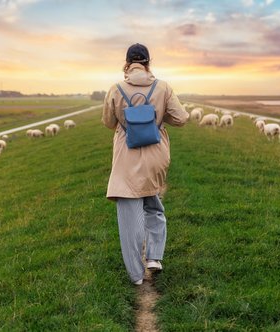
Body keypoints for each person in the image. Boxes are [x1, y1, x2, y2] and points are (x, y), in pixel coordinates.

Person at [102, 43, 189, 285]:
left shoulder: (115, 89)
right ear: (148, 63)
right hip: (155, 155)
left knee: (129, 216)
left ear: (127, 64)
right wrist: (158, 116)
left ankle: (136, 276)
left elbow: (109, 122)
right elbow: (181, 119)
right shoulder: (163, 87)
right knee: (153, 204)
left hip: (127, 155)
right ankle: (154, 258)